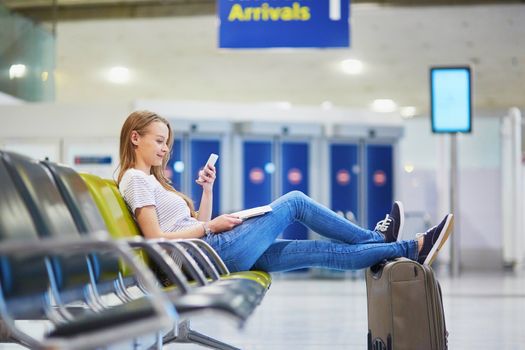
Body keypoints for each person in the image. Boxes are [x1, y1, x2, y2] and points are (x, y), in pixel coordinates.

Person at [117, 110, 454, 273]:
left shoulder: (152, 181)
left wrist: (207, 191)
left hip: (209, 252)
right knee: (294, 201)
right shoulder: (135, 179)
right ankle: (383, 240)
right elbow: (154, 240)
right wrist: (209, 227)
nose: (164, 149)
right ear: (136, 137)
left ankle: (409, 249)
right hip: (210, 253)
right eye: (159, 141)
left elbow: (193, 224)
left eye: (166, 143)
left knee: (314, 251)